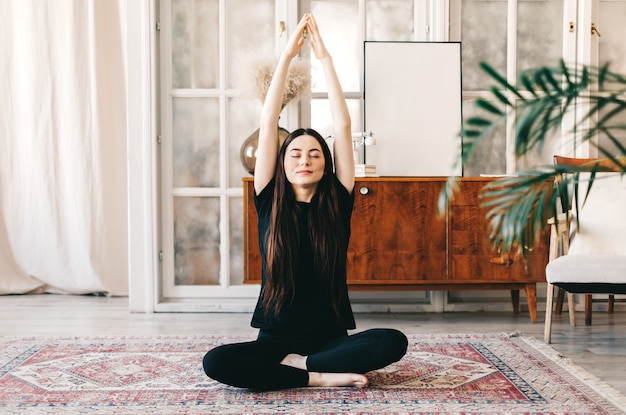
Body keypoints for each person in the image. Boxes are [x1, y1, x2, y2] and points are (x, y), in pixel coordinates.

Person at [202, 13, 408, 391]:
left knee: (392, 341)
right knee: (215, 362)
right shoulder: (269, 199)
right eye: (295, 154)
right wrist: (287, 57)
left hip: (329, 339)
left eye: (314, 154)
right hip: (276, 339)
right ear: (282, 163)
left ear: (326, 163)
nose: (304, 160)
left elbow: (343, 126)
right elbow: (268, 120)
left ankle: (302, 368)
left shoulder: (337, 200)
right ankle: (318, 378)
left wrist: (324, 58)